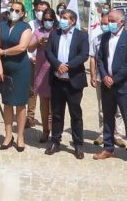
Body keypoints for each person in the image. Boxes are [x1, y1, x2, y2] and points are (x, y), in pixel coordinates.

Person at [95, 8, 127, 167]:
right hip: (107, 84)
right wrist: (104, 76)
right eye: (109, 21)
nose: (110, 23)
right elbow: (100, 57)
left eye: (113, 21)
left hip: (124, 85)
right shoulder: (106, 36)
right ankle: (108, 147)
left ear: (121, 22)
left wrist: (115, 79)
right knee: (108, 117)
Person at [44, 9, 89, 159]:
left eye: (65, 18)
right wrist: (58, 65)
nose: (62, 20)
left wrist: (68, 66)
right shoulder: (54, 33)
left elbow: (83, 55)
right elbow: (48, 52)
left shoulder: (81, 35)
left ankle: (78, 144)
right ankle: (55, 141)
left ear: (73, 21)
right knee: (57, 113)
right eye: (61, 17)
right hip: (57, 80)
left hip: (74, 81)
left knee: (75, 114)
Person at [0, 1, 33, 152]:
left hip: (20, 69)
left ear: (23, 13)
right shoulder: (2, 25)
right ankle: (8, 135)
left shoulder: (26, 27)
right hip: (5, 69)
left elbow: (22, 47)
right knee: (8, 103)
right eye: (12, 9)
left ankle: (20, 136)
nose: (14, 12)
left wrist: (4, 53)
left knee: (21, 104)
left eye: (17, 10)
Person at [89, 13, 125, 148]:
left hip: (118, 79)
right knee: (102, 108)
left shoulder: (122, 38)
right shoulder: (97, 39)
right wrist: (93, 75)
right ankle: (103, 133)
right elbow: (93, 58)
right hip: (101, 78)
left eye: (109, 22)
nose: (107, 25)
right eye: (104, 23)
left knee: (119, 110)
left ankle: (118, 134)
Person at [29, 8, 56, 142]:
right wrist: (38, 42)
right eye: (45, 19)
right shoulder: (38, 32)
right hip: (41, 71)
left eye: (50, 19)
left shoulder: (57, 32)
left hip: (55, 71)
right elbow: (30, 48)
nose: (47, 22)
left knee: (55, 104)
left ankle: (55, 131)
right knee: (44, 103)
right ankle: (45, 130)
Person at [27, 0, 50, 128]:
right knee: (32, 91)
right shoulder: (31, 24)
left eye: (43, 11)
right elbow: (27, 44)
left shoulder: (53, 25)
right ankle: (30, 117)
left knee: (48, 92)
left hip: (48, 64)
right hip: (33, 61)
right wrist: (30, 57)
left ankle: (49, 120)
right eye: (38, 10)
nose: (39, 13)